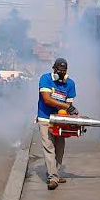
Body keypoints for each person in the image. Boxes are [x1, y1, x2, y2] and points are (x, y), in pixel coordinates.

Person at [37, 58, 78, 190]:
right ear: (53, 68)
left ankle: (54, 173)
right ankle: (53, 178)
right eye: (59, 70)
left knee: (60, 148)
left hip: (60, 120)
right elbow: (47, 99)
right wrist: (66, 106)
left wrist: (73, 117)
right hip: (45, 118)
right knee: (49, 147)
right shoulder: (45, 79)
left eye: (64, 70)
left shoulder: (70, 84)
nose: (61, 73)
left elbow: (69, 105)